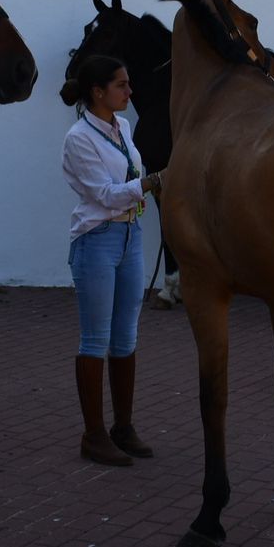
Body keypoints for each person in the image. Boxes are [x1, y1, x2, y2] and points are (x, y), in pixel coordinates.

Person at [61, 55, 164, 466]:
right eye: (121, 85)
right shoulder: (78, 138)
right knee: (96, 339)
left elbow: (128, 181)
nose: (129, 91)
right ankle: (94, 434)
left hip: (128, 235)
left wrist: (148, 183)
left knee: (125, 338)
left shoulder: (121, 128)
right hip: (97, 240)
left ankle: (123, 427)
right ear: (97, 92)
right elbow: (103, 194)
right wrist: (153, 182)